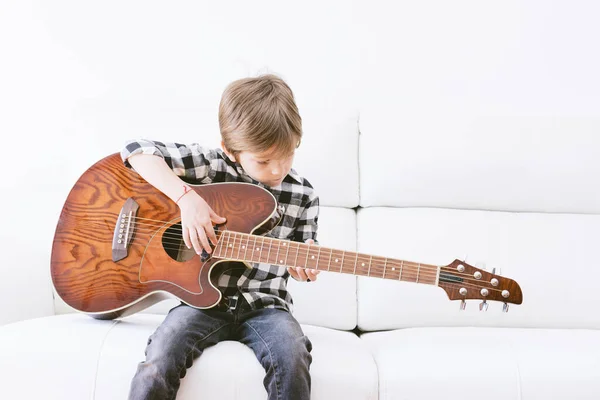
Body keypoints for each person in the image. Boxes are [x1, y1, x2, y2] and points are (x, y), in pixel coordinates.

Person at [120, 74, 320, 400]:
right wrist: (186, 198)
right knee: (160, 359)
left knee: (293, 356)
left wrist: (306, 262)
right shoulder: (211, 167)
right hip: (200, 304)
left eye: (288, 155)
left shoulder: (303, 194)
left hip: (266, 307)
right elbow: (135, 150)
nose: (277, 169)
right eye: (264, 160)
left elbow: (305, 249)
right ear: (231, 150)